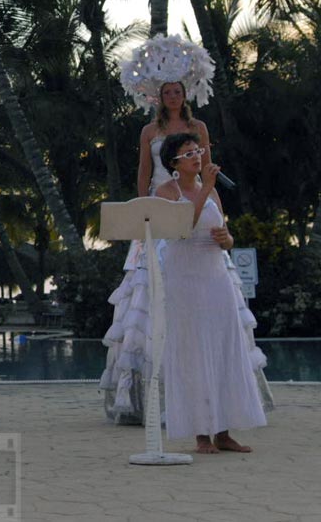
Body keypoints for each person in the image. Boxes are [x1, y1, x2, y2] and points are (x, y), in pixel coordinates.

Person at [100, 80, 209, 424]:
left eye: (177, 91)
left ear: (185, 95)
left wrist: (208, 203)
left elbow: (206, 169)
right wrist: (143, 209)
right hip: (159, 202)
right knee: (147, 285)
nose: (173, 97)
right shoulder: (150, 130)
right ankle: (142, 397)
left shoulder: (198, 128)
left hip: (191, 197)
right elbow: (144, 171)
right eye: (167, 93)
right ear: (159, 98)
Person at [156, 132, 266, 452]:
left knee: (223, 347)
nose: (197, 156)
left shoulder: (213, 192)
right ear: (174, 163)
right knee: (194, 352)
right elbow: (181, 229)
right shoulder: (166, 192)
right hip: (185, 278)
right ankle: (201, 434)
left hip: (215, 274)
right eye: (189, 153)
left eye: (198, 150)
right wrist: (204, 187)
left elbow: (227, 236)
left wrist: (226, 240)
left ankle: (224, 431)